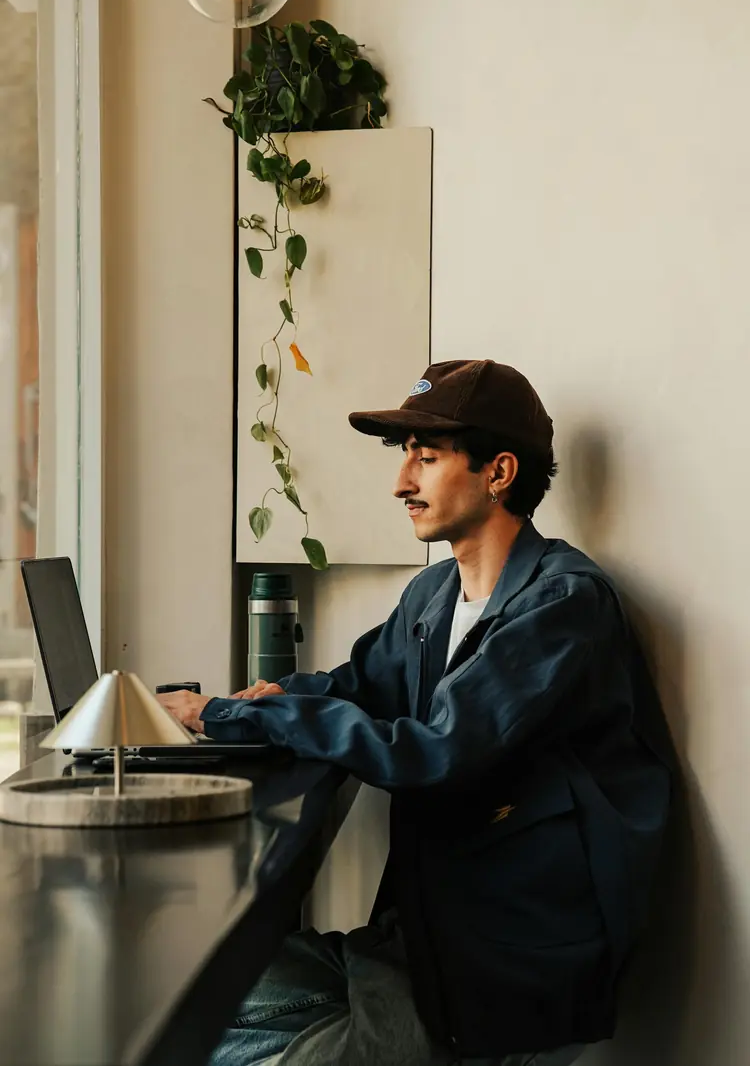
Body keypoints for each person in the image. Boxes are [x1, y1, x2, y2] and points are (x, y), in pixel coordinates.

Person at [159, 359, 673, 1066]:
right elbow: (362, 684)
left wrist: (232, 717)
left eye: (426, 459)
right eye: (406, 457)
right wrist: (270, 699)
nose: (401, 483)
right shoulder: (435, 594)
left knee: (209, 1039)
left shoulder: (562, 604)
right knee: (184, 993)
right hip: (421, 935)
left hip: (503, 964)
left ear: (498, 473)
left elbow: (433, 751)